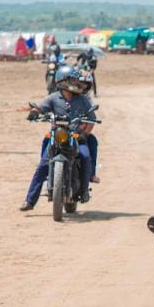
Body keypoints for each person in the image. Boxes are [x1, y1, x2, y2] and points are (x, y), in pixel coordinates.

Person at [20, 66, 97, 211]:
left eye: (76, 80)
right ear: (63, 81)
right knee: (42, 165)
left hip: (76, 138)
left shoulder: (83, 99)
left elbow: (92, 120)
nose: (76, 83)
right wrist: (34, 112)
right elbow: (41, 108)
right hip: (57, 136)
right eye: (73, 80)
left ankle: (84, 191)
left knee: (86, 157)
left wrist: (84, 134)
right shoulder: (53, 98)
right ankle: (29, 201)